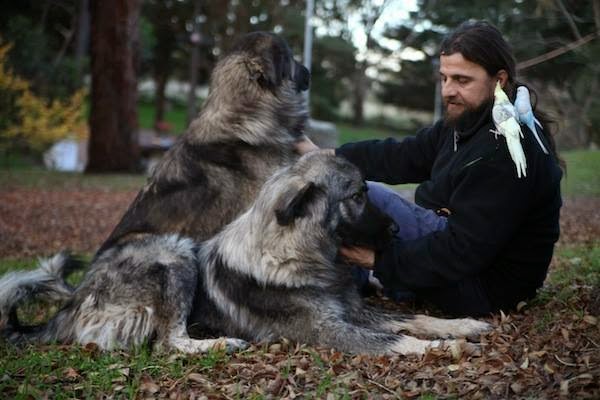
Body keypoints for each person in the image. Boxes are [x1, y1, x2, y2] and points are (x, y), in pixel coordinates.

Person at [296, 20, 563, 317]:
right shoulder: (467, 121)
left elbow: (462, 250)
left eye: (462, 80)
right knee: (359, 198)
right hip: (460, 260)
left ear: (499, 80)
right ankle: (340, 285)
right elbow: (400, 156)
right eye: (444, 78)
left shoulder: (508, 147)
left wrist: (379, 261)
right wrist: (324, 155)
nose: (448, 91)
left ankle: (321, 290)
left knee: (360, 198)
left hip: (485, 289)